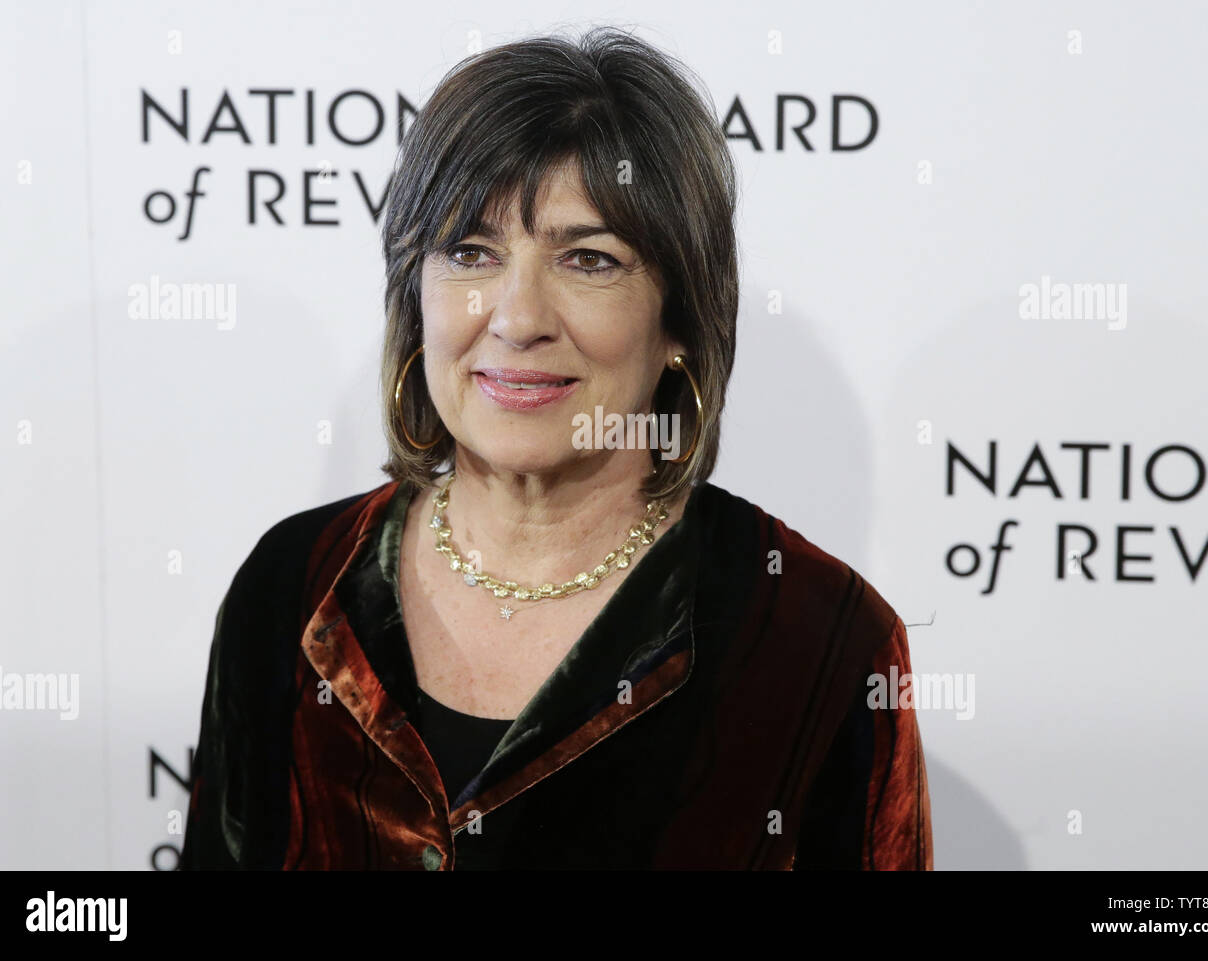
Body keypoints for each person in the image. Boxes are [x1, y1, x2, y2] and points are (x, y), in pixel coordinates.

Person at [179, 26, 932, 870]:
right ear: (415, 294)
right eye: (471, 251)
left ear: (679, 321)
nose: (517, 317)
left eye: (589, 259)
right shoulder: (292, 587)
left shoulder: (818, 637)